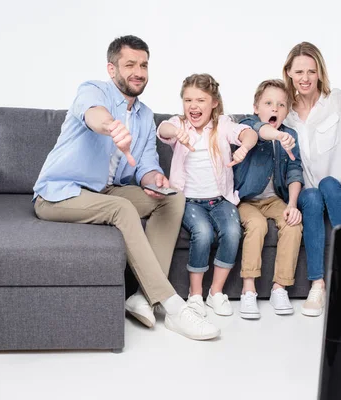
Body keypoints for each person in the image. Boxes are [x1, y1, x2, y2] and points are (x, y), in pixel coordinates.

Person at [32, 35, 220, 341]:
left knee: (171, 199)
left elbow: (145, 165)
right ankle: (172, 306)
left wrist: (154, 180)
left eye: (143, 65)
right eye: (130, 64)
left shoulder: (145, 116)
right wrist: (111, 126)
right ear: (112, 68)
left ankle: (143, 298)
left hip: (105, 191)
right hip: (59, 194)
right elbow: (93, 114)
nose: (139, 72)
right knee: (122, 207)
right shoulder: (94, 91)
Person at [282, 42, 341, 317]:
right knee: (312, 194)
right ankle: (318, 285)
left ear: (320, 73)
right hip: (308, 195)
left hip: (340, 192)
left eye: (311, 71)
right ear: (289, 72)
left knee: (326, 184)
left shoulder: (335, 100)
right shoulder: (285, 113)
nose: (305, 78)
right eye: (299, 71)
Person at [157, 73, 258, 317]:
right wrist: (176, 132)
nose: (193, 106)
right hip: (189, 200)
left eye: (200, 100)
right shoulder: (179, 124)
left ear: (213, 102)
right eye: (188, 100)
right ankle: (195, 295)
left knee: (233, 231)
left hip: (220, 199)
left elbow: (248, 132)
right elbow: (162, 128)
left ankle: (215, 292)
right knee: (202, 233)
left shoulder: (222, 125)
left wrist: (244, 146)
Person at [233, 79, 304, 319]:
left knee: (293, 224)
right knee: (257, 225)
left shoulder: (290, 134)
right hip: (246, 199)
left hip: (274, 200)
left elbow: (295, 171)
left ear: (287, 111)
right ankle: (248, 290)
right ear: (256, 107)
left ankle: (279, 288)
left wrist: (292, 205)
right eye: (268, 103)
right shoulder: (246, 125)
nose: (275, 109)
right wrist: (276, 136)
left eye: (281, 105)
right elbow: (260, 133)